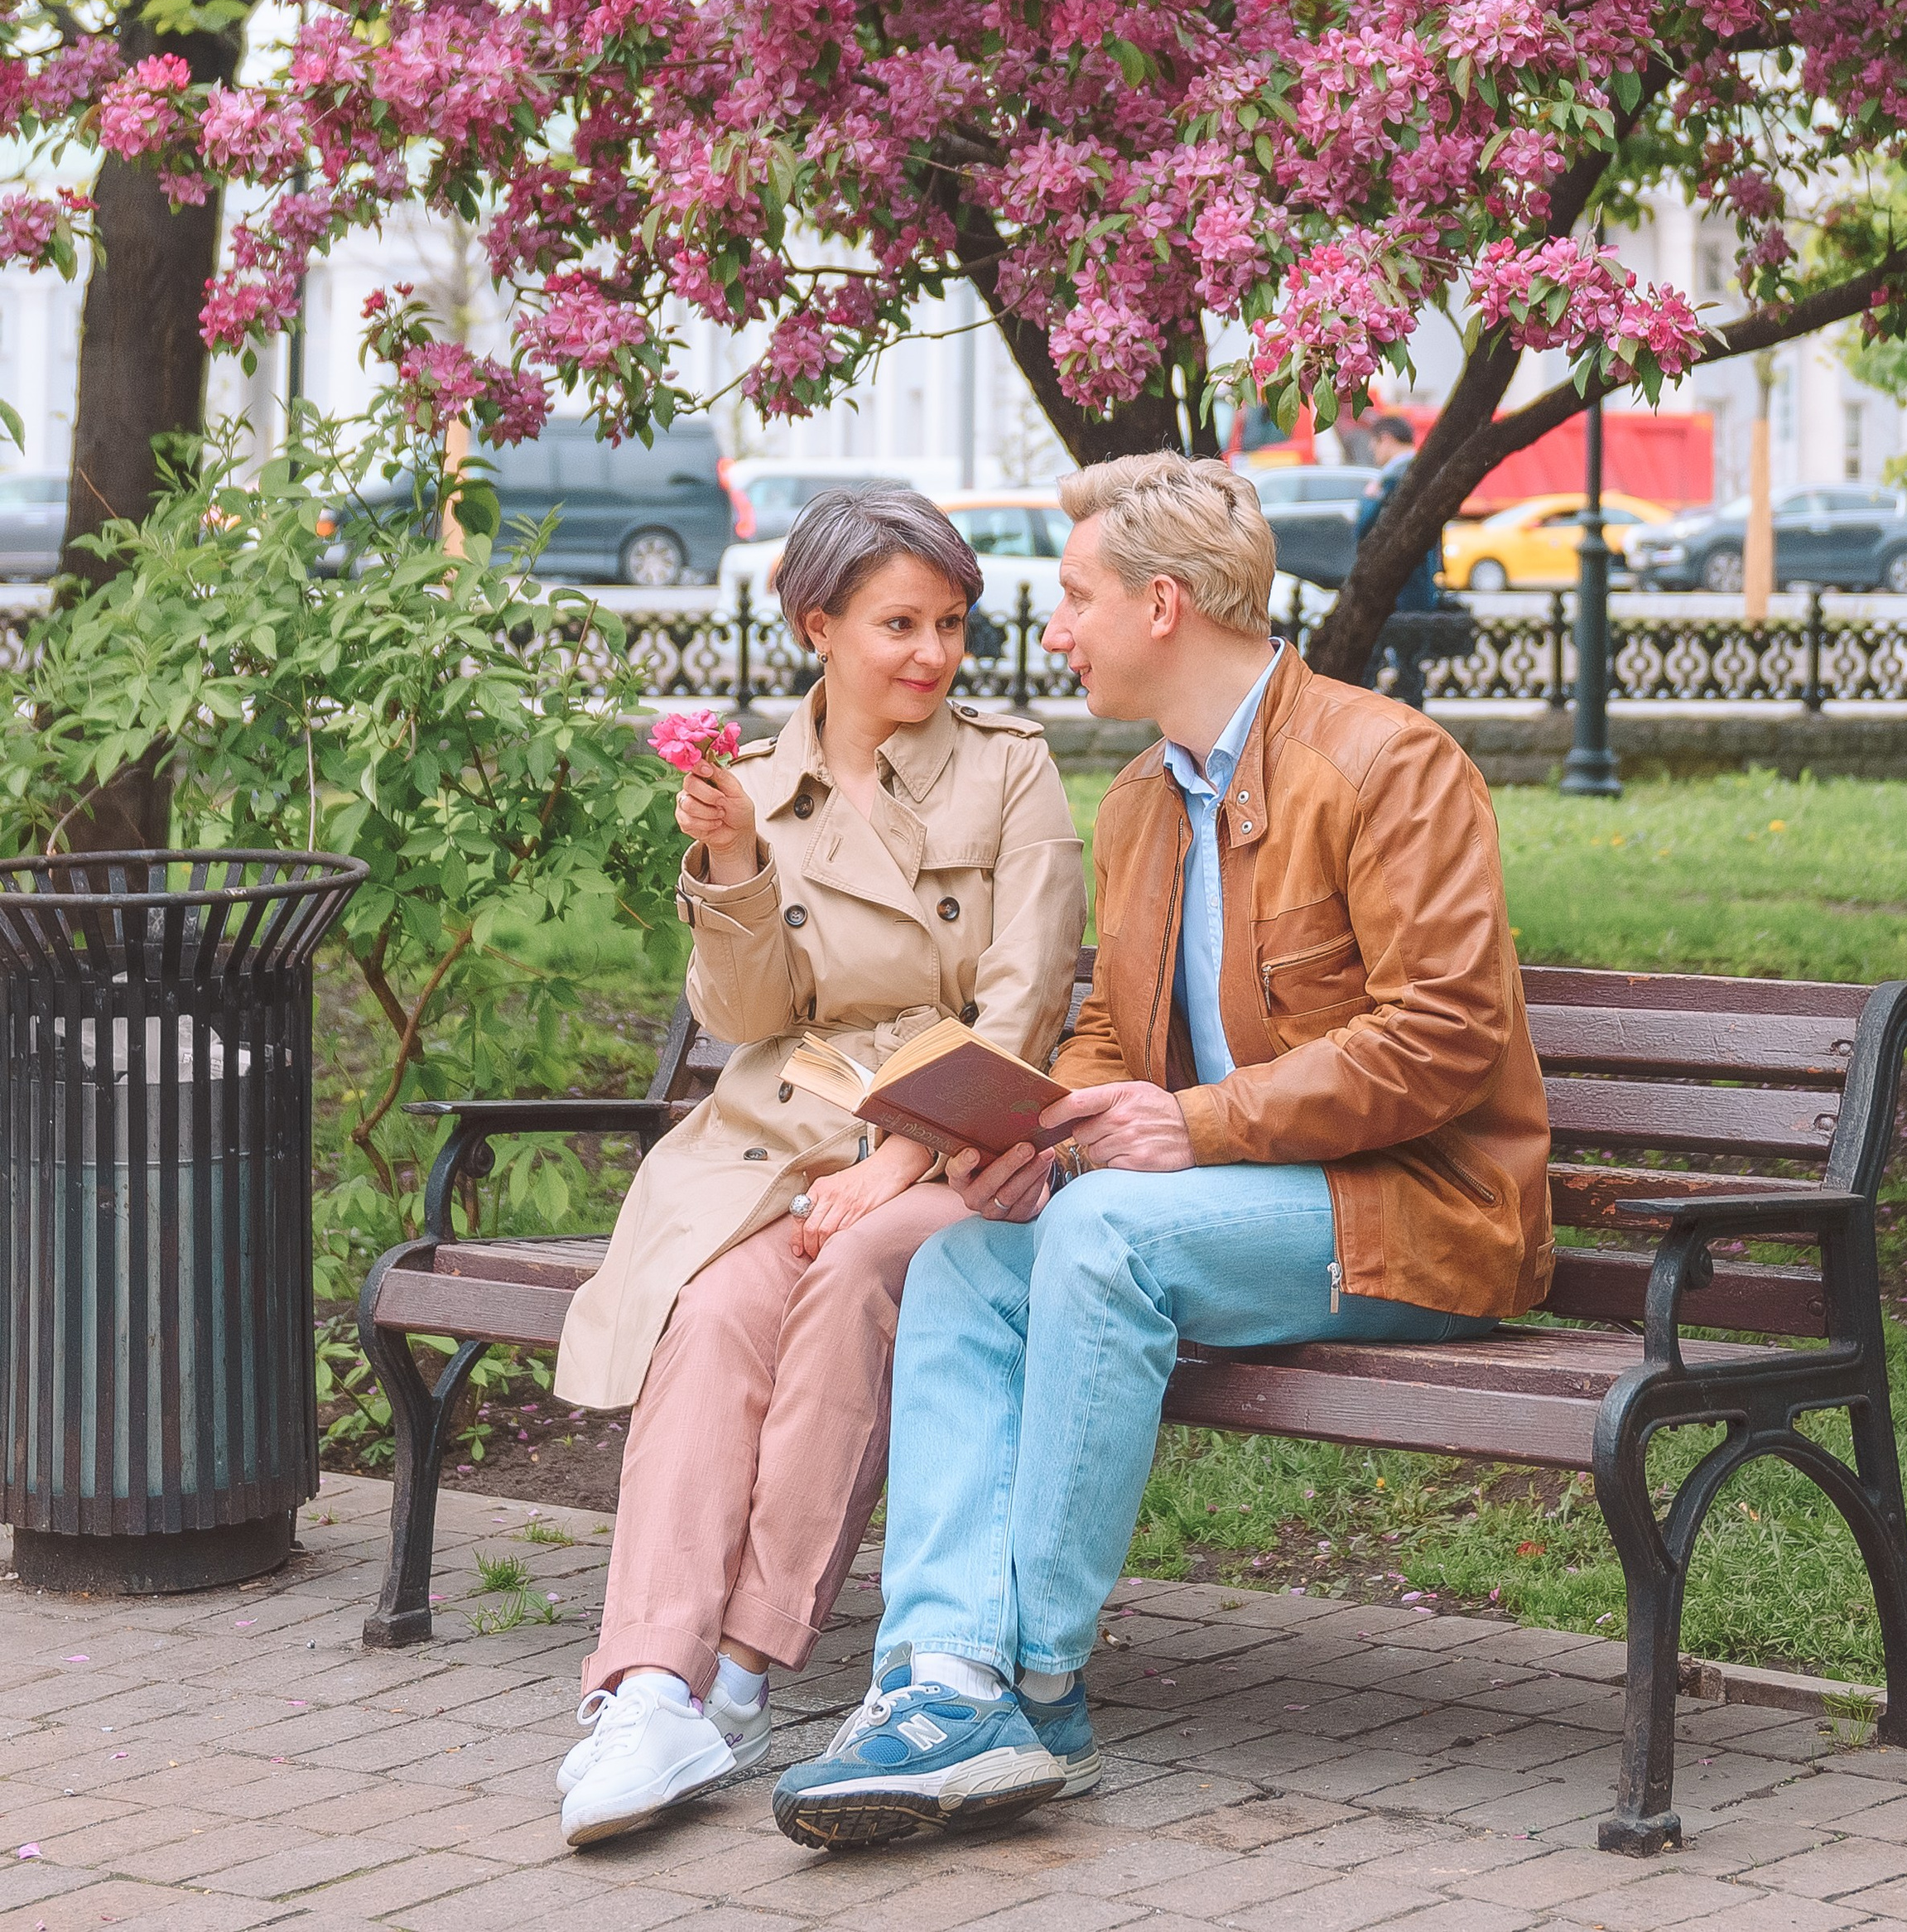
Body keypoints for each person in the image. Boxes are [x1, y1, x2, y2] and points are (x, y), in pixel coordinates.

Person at [773, 453, 1553, 1852]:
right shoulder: (1142, 796)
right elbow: (1104, 1035)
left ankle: (1035, 1682)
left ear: (1163, 603)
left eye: (1073, 596)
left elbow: (1437, 1041)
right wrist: (1044, 1138)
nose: (1050, 628)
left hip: (1422, 1212)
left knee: (1103, 1236)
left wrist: (1177, 1129)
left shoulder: (1389, 764)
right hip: (1221, 1204)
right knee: (972, 1250)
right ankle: (941, 1667)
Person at [550, 487, 1085, 1849]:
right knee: (717, 1310)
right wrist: (729, 856)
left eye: (953, 621)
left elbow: (1022, 1002)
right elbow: (746, 1016)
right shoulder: (759, 785)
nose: (934, 651)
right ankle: (652, 1684)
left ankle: (739, 1673)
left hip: (968, 1142)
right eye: (899, 621)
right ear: (817, 624)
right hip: (782, 1136)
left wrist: (903, 1154)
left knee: (852, 1270)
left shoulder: (1008, 767)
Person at [1355, 411, 1446, 697]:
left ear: (1387, 439)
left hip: (1399, 586)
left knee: (1396, 664)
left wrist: (1370, 497)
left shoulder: (1395, 476)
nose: (1372, 449)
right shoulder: (1427, 470)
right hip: (1418, 583)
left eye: (1374, 442)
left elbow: (1365, 526)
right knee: (1410, 664)